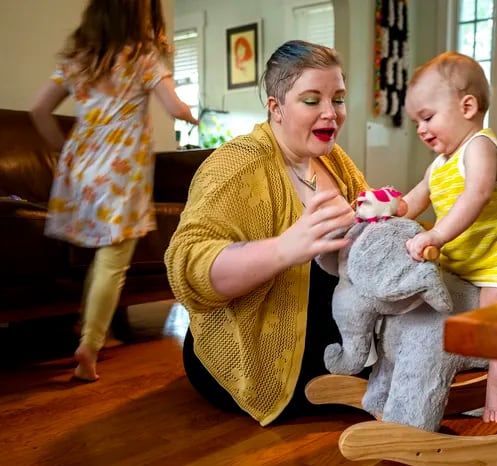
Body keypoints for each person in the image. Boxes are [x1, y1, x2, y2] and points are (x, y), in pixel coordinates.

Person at [164, 40, 405, 425]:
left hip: (337, 339)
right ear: (276, 108)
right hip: (253, 354)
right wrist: (284, 249)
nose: (331, 113)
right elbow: (186, 267)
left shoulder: (336, 163)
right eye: (312, 100)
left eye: (338, 99)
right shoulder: (237, 164)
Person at [29, 0, 198, 382]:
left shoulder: (79, 58)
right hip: (121, 173)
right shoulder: (142, 57)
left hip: (81, 169)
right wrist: (188, 113)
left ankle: (85, 325)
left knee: (97, 254)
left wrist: (62, 149)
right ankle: (90, 345)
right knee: (113, 260)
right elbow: (173, 105)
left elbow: (39, 109)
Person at [402, 52, 497, 424]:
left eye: (428, 117)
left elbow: (476, 194)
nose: (421, 128)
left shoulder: (480, 146)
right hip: (465, 260)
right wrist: (387, 209)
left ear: (467, 106)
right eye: (417, 121)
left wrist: (435, 233)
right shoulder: (438, 164)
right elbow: (416, 199)